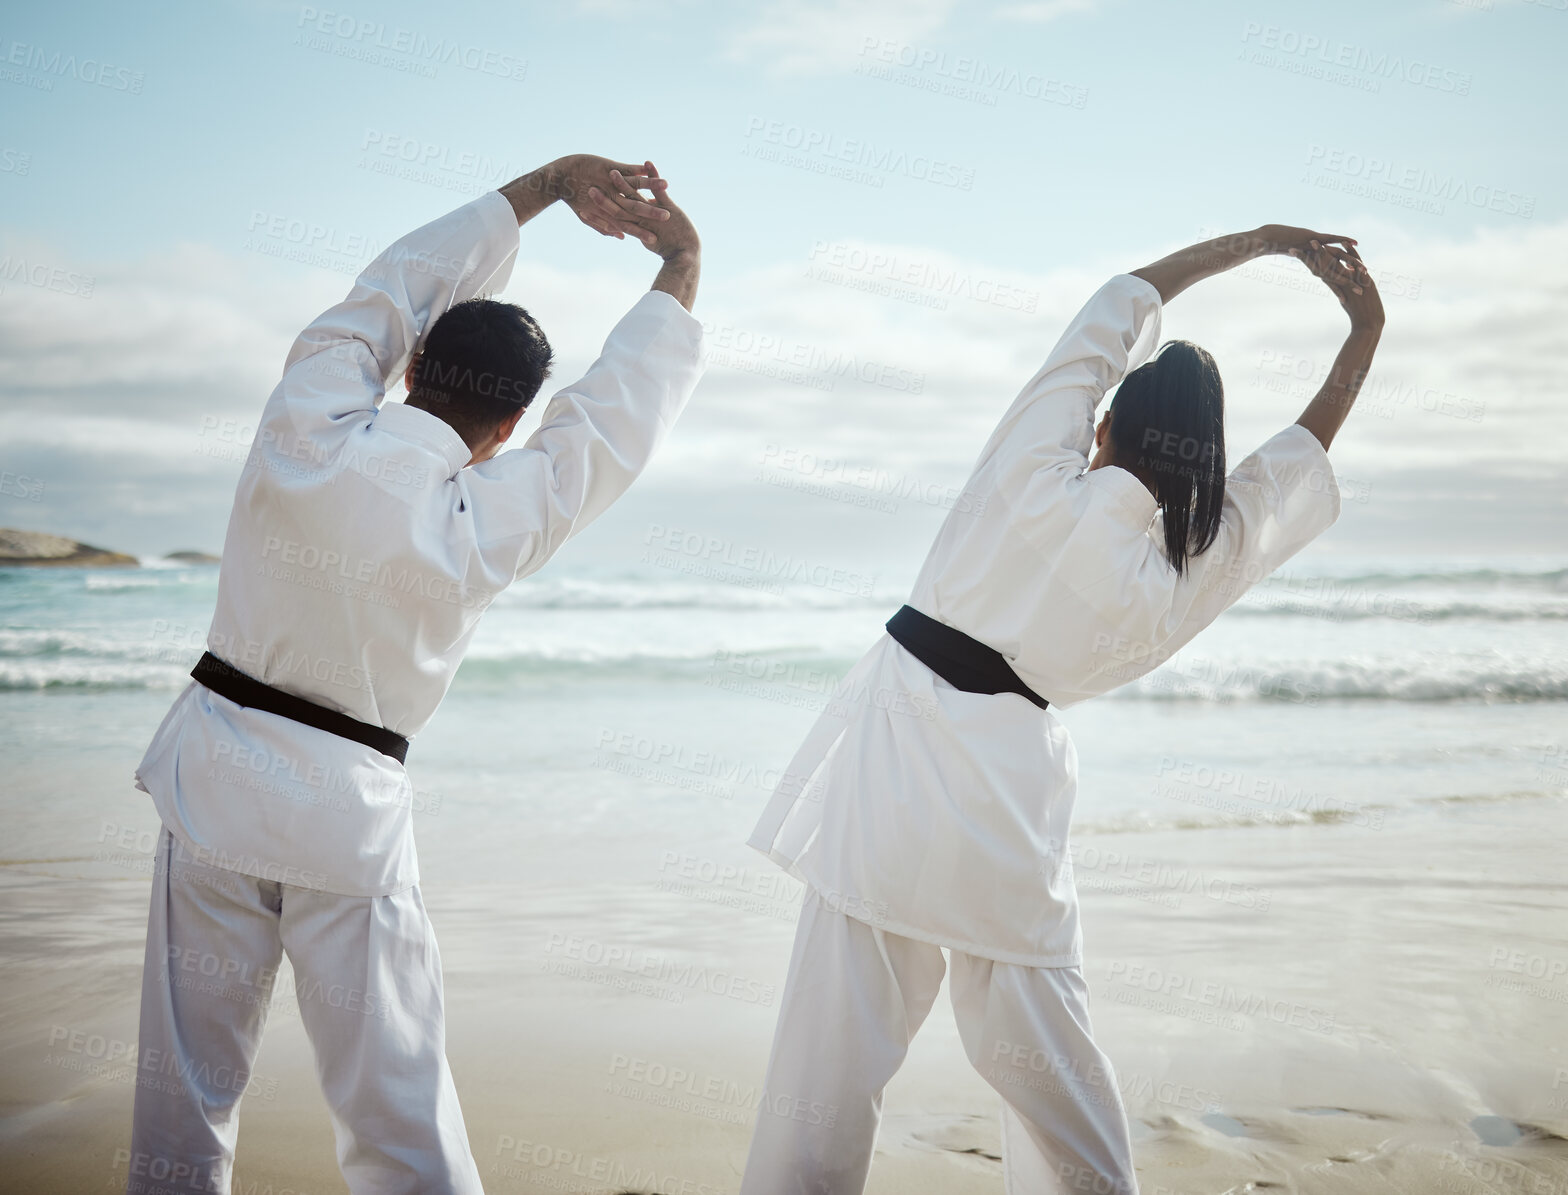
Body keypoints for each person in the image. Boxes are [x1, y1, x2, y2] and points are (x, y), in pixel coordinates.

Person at [741, 228, 1384, 1194]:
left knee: (827, 1062)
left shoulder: (1028, 474)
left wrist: (1262, 245)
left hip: (893, 750)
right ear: (1198, 460)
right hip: (1009, 796)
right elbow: (1287, 472)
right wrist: (1364, 335)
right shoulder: (1181, 574)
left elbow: (1110, 311)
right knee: (1052, 1062)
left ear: (1104, 429)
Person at [123, 154, 703, 1195]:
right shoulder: (486, 514)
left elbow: (386, 289)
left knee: (184, 1094)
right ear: (514, 427)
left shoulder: (305, 422)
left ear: (412, 361)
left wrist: (546, 186)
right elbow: (611, 423)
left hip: (209, 777)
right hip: (345, 818)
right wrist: (680, 266)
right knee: (396, 1113)